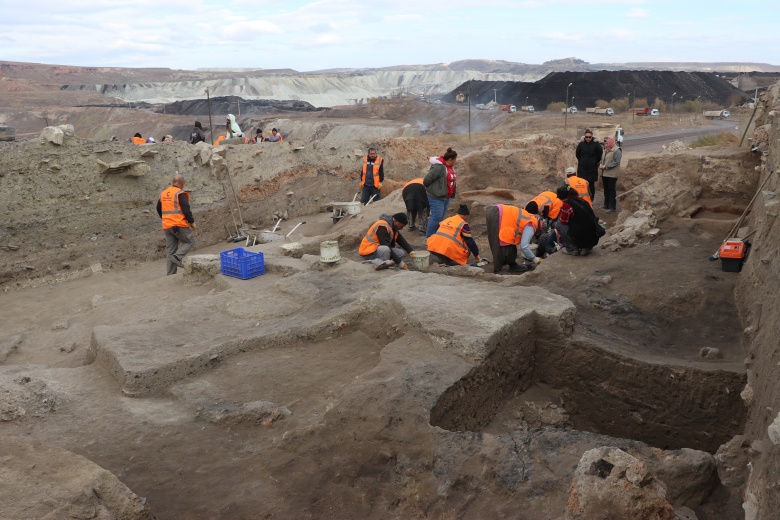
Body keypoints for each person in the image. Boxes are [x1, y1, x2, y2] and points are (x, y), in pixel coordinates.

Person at [156, 174, 196, 275]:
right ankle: (177, 257)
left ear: (173, 182)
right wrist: (191, 222)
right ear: (181, 183)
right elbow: (186, 209)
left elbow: (158, 208)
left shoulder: (163, 193)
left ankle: (170, 275)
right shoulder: (180, 193)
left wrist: (166, 219)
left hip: (167, 226)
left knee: (170, 250)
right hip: (178, 225)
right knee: (190, 241)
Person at [486, 202, 541, 274]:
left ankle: (512, 264)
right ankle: (497, 269)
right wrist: (534, 259)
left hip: (499, 212)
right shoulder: (532, 224)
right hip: (497, 214)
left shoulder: (530, 217)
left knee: (510, 242)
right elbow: (524, 246)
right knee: (497, 242)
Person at [555, 185, 600, 256]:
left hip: (581, 234)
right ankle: (586, 247)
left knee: (559, 225)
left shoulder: (567, 204)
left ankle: (572, 249)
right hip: (592, 237)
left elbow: (563, 221)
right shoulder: (582, 201)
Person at [424, 148, 457, 238]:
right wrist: (435, 189)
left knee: (440, 217)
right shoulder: (439, 167)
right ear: (451, 159)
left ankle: (436, 236)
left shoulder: (449, 167)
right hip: (436, 196)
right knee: (436, 217)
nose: (455, 161)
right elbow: (426, 180)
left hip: (446, 196)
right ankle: (429, 237)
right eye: (455, 159)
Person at [575, 129, 603, 200]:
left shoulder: (596, 144)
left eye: (589, 137)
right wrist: (582, 161)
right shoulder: (581, 144)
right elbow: (577, 154)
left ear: (592, 137)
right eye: (586, 137)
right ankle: (582, 199)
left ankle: (591, 199)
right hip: (582, 169)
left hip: (592, 169)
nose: (588, 138)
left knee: (591, 185)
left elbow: (600, 154)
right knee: (581, 185)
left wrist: (594, 161)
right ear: (584, 137)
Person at [599, 136, 622, 213]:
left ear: (611, 142)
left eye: (607, 142)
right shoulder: (606, 150)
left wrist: (606, 166)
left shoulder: (617, 150)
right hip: (605, 173)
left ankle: (612, 207)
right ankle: (606, 205)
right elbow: (603, 159)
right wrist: (601, 164)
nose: (605, 144)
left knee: (611, 190)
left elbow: (616, 162)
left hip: (612, 174)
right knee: (606, 190)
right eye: (605, 143)